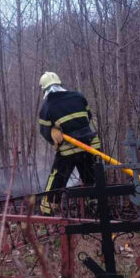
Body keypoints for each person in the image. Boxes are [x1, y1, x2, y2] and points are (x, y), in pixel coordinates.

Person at [37, 72, 101, 214]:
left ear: (44, 89)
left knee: (57, 177)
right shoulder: (79, 96)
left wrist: (53, 131)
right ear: (60, 84)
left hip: (68, 149)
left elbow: (44, 132)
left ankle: (47, 210)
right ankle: (95, 208)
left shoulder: (47, 107)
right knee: (91, 176)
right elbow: (88, 116)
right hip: (89, 146)